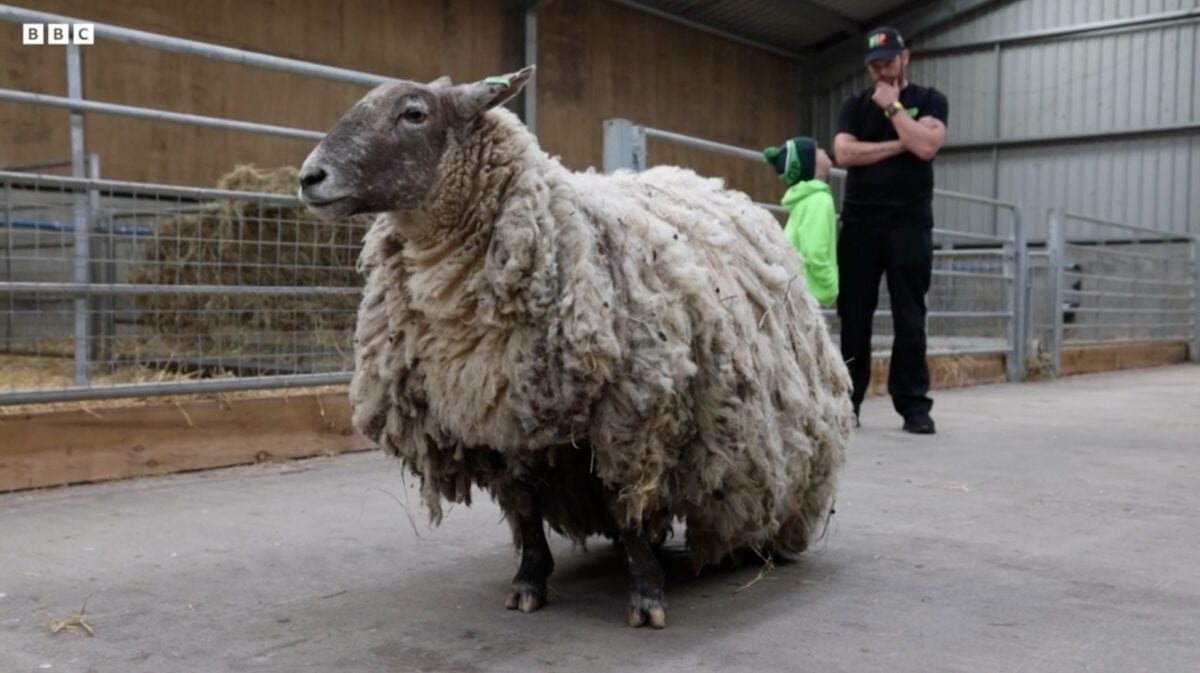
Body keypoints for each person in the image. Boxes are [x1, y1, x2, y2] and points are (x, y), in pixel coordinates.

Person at [832, 26, 948, 434]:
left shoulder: (929, 100)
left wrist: (894, 110)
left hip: (910, 225)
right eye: (873, 66)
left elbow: (928, 147)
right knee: (855, 318)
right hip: (861, 224)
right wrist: (903, 142)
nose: (880, 72)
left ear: (905, 58)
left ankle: (914, 406)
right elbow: (844, 152)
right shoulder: (853, 105)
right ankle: (848, 402)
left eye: (887, 62)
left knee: (910, 319)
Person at [763, 137, 838, 308]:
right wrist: (828, 285)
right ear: (810, 165)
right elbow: (814, 250)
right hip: (811, 295)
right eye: (817, 150)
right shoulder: (819, 200)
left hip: (798, 290)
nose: (823, 151)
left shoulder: (805, 200)